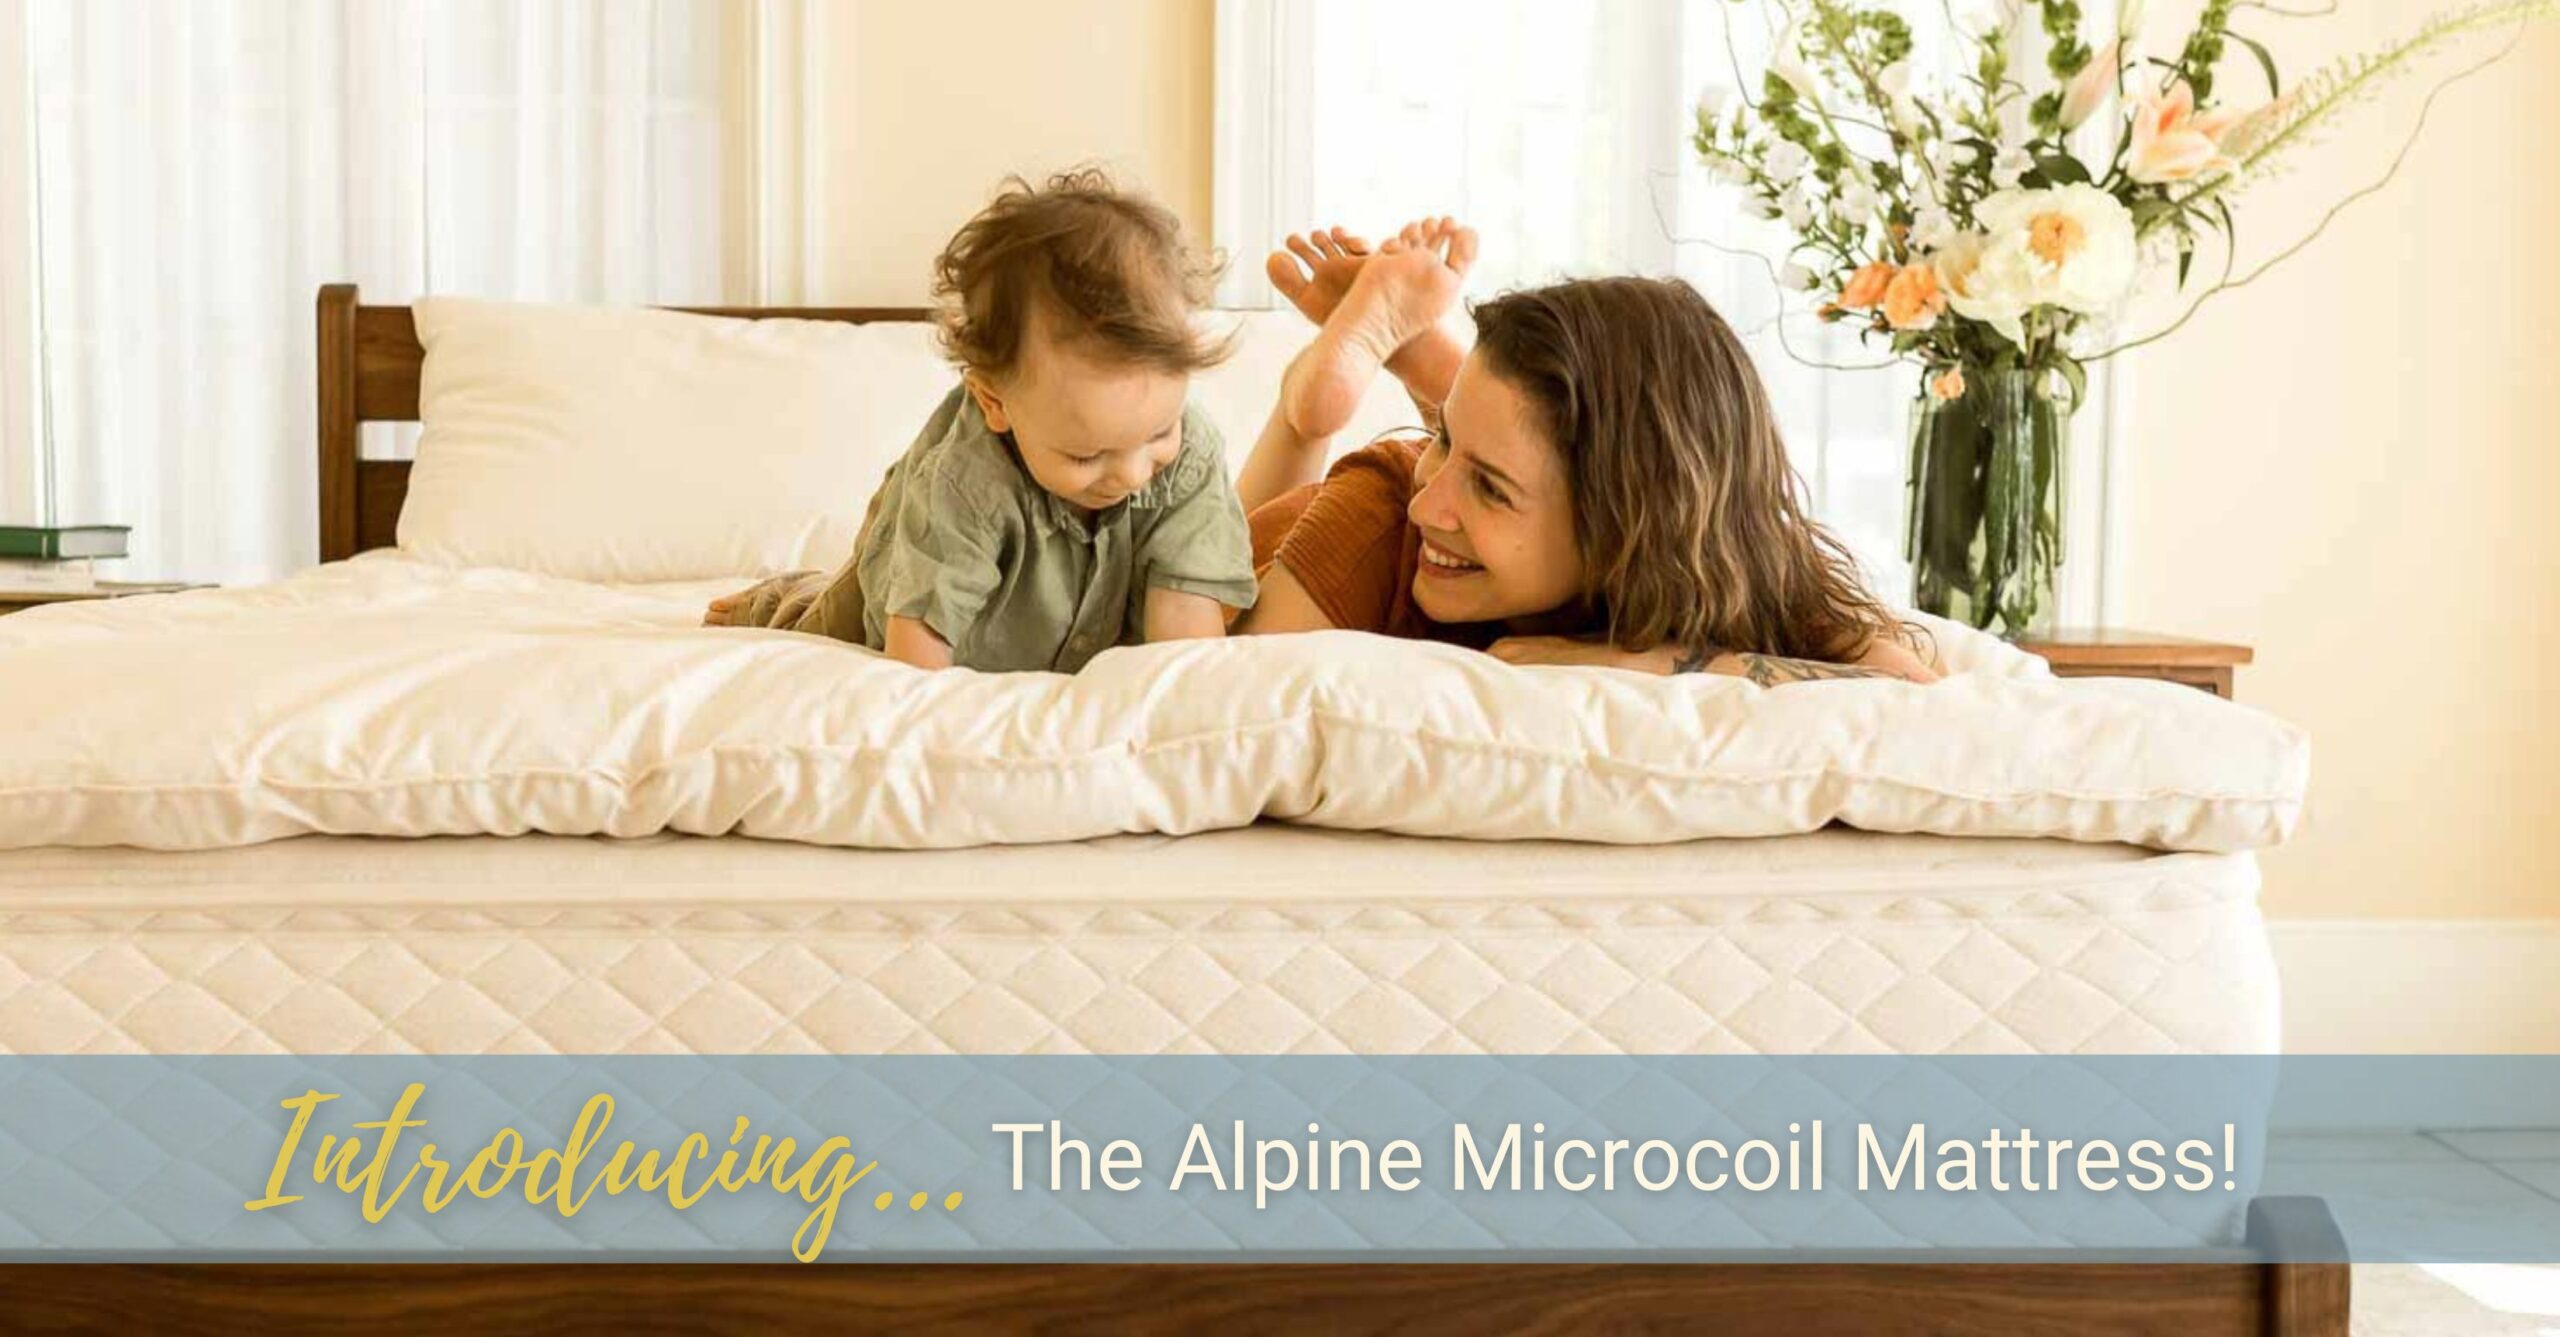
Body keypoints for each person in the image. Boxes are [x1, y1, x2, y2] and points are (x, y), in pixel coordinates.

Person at [1235, 218, 1938, 685]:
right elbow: (1224, 686)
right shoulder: (1386, 516)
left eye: (1491, 488)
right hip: (1253, 555)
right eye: (1445, 440)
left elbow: (1907, 683)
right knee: (1213, 555)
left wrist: (1635, 660)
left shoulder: (1718, 552)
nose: (1432, 501)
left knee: (1519, 438)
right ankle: (1314, 412)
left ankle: (1431, 367)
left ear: (1633, 522)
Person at [702, 169, 1257, 672]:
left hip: (1091, 621)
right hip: (913, 590)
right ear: (995, 403)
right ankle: (787, 597)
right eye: (1085, 455)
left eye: (1159, 433)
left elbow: (1188, 631)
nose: (1135, 473)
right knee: (837, 621)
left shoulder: (1191, 453)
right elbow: (915, 653)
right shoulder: (963, 481)